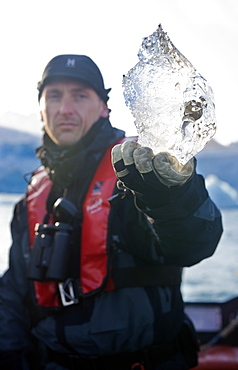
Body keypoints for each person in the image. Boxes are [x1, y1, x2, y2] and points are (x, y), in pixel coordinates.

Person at [0, 54, 222, 370]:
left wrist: (171, 197)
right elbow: (13, 294)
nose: (65, 109)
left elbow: (194, 244)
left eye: (80, 95)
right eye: (54, 96)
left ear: (104, 107)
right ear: (41, 109)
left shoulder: (137, 170)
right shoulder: (33, 195)